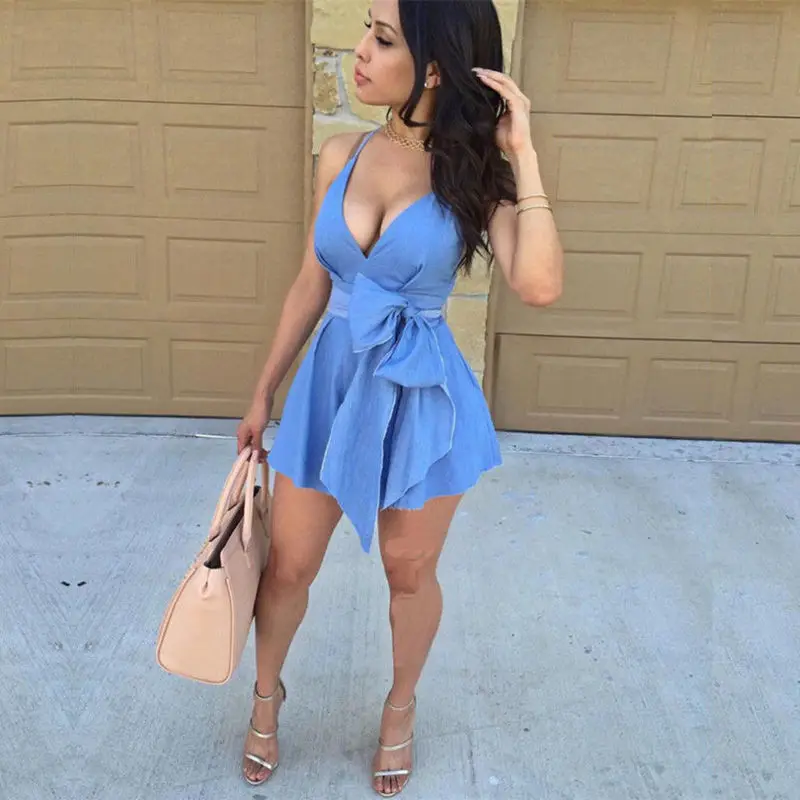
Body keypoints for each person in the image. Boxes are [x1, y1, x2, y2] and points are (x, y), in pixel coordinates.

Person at [235, 0, 563, 795]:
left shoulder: (474, 179)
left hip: (422, 394)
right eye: (366, 31)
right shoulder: (339, 154)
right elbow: (312, 282)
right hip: (331, 384)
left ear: (436, 66)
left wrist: (523, 153)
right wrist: (263, 391)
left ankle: (400, 708)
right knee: (288, 566)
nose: (360, 51)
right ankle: (266, 697)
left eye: (382, 39)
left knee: (409, 572)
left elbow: (539, 285)